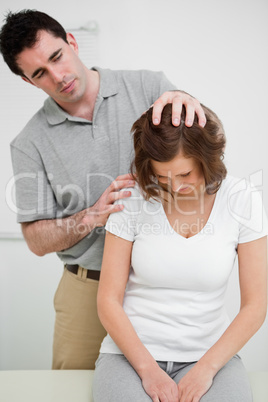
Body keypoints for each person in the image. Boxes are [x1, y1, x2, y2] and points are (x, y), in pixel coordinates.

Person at [0, 9, 206, 370]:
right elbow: (36, 241)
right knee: (72, 388)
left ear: (72, 43)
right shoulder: (27, 144)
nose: (58, 76)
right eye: (39, 74)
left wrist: (187, 99)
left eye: (57, 57)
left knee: (170, 383)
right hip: (87, 289)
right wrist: (90, 217)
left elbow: (200, 157)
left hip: (160, 280)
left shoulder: (148, 86)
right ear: (28, 82)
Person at [93, 103, 268, 401]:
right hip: (130, 356)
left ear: (207, 158)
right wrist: (148, 371)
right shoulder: (133, 198)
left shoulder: (242, 199)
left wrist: (206, 369)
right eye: (163, 177)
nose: (175, 187)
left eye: (185, 174)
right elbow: (108, 299)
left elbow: (256, 306)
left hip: (210, 356)